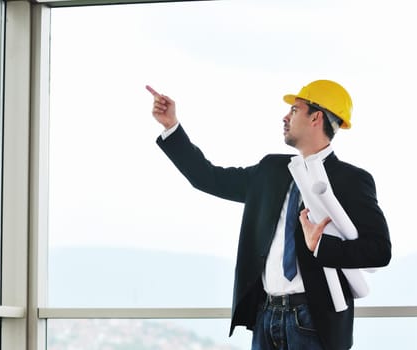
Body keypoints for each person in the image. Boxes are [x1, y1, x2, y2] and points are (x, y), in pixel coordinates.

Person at [146, 80, 391, 350]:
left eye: (295, 110)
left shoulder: (352, 180)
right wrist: (172, 127)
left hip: (314, 321)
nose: (285, 117)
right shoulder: (270, 170)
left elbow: (378, 250)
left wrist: (321, 246)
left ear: (316, 117)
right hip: (266, 316)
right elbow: (208, 178)